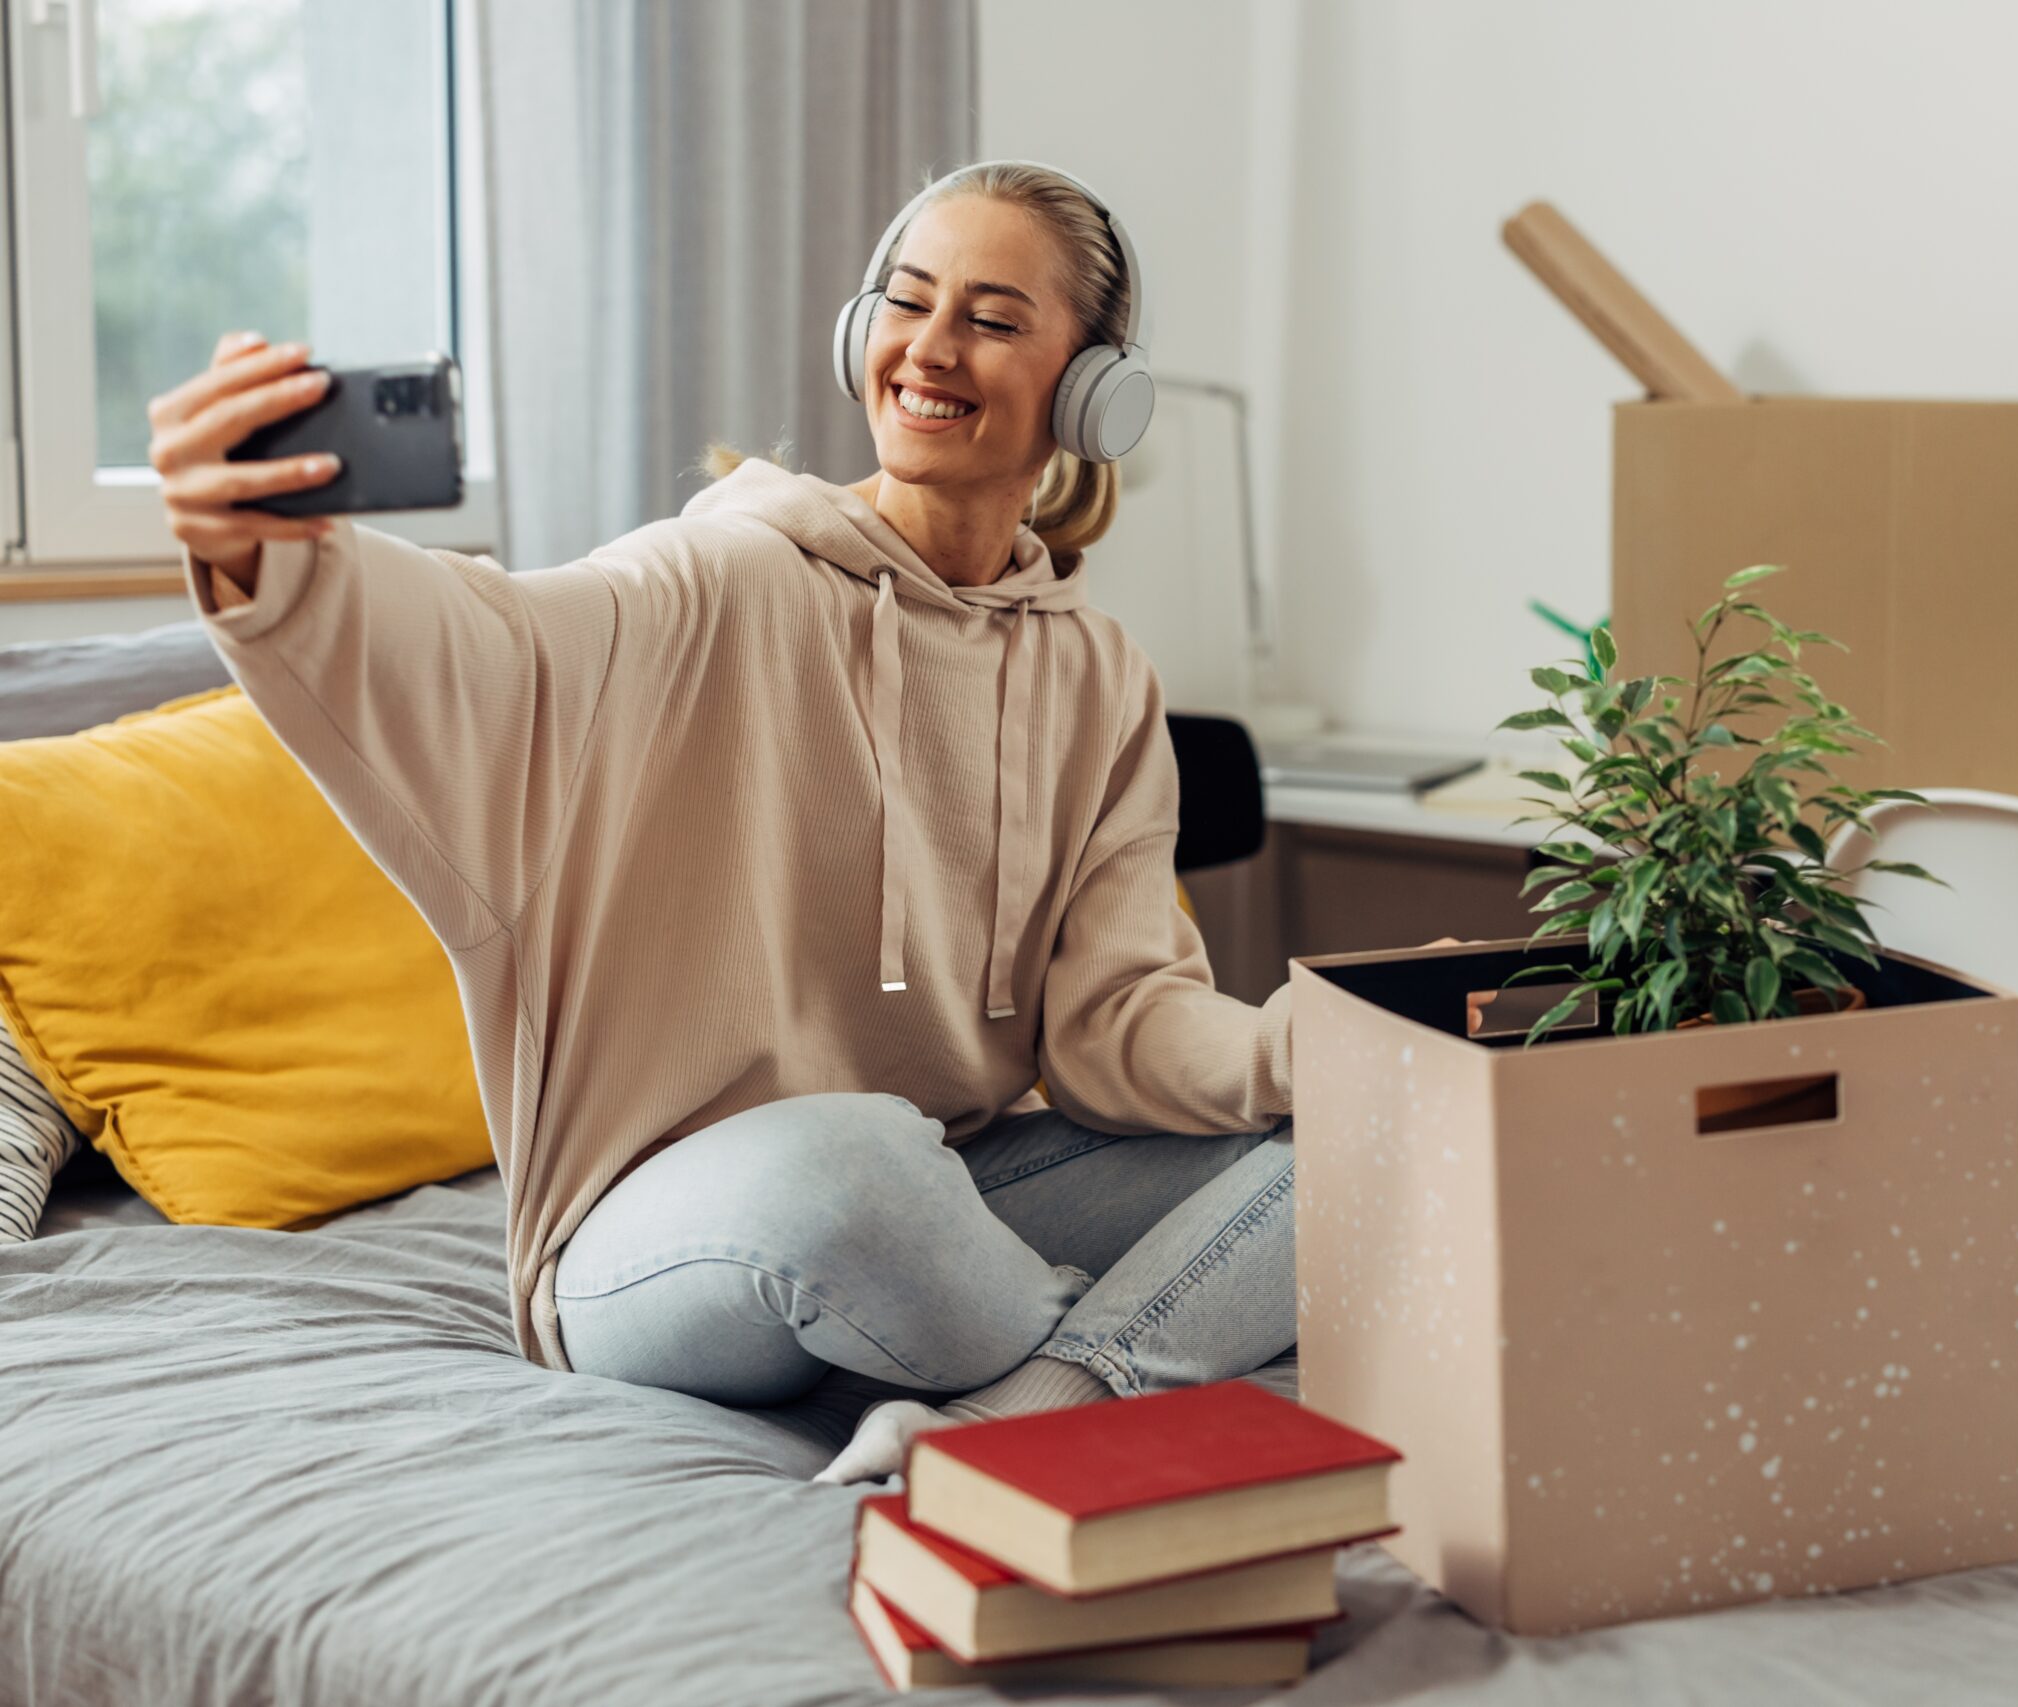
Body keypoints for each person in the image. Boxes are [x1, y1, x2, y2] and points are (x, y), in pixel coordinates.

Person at [151, 161, 1298, 1485]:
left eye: (991, 319)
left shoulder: (1098, 677)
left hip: (949, 1190)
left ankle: (1024, 1412)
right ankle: (1116, 1350)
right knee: (859, 1169)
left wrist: (1306, 1049)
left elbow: (1117, 1021)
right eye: (907, 301)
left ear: (1093, 390)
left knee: (1366, 1151)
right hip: (656, 1242)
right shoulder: (719, 577)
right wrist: (267, 557)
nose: (930, 348)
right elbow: (493, 649)